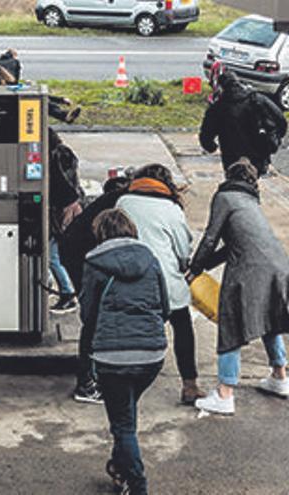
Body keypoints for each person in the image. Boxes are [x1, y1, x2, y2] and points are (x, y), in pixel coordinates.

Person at [190, 160, 289, 415]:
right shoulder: (251, 201)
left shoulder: (224, 196)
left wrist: (194, 268)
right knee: (271, 319)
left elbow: (211, 237)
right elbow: (233, 243)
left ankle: (225, 393)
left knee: (231, 323)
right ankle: (279, 376)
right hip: (279, 264)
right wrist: (202, 266)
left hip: (249, 269)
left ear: (228, 175)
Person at [81, 209, 169, 495]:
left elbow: (87, 315)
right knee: (126, 415)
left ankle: (137, 484)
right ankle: (119, 466)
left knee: (123, 425)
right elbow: (165, 308)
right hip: (152, 355)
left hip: (112, 357)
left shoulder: (94, 263)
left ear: (100, 233)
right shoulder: (151, 259)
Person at [116, 164, 204, 405]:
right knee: (182, 327)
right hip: (165, 280)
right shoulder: (171, 209)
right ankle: (189, 385)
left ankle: (127, 381)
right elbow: (183, 250)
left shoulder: (123, 202)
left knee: (131, 329)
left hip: (131, 278)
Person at [64, 175, 132, 404]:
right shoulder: (128, 201)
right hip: (82, 255)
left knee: (95, 316)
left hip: (82, 251)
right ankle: (86, 382)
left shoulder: (121, 198)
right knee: (93, 318)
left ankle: (94, 376)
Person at [199, 71, 287, 177]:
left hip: (231, 157)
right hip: (258, 155)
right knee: (254, 179)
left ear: (221, 88)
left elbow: (206, 134)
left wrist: (211, 147)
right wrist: (276, 138)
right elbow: (280, 120)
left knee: (233, 180)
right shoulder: (258, 99)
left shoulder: (218, 108)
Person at [49, 131, 83, 314]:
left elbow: (58, 186)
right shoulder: (65, 153)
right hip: (69, 206)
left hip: (61, 210)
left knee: (52, 254)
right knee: (54, 251)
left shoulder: (55, 158)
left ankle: (67, 292)